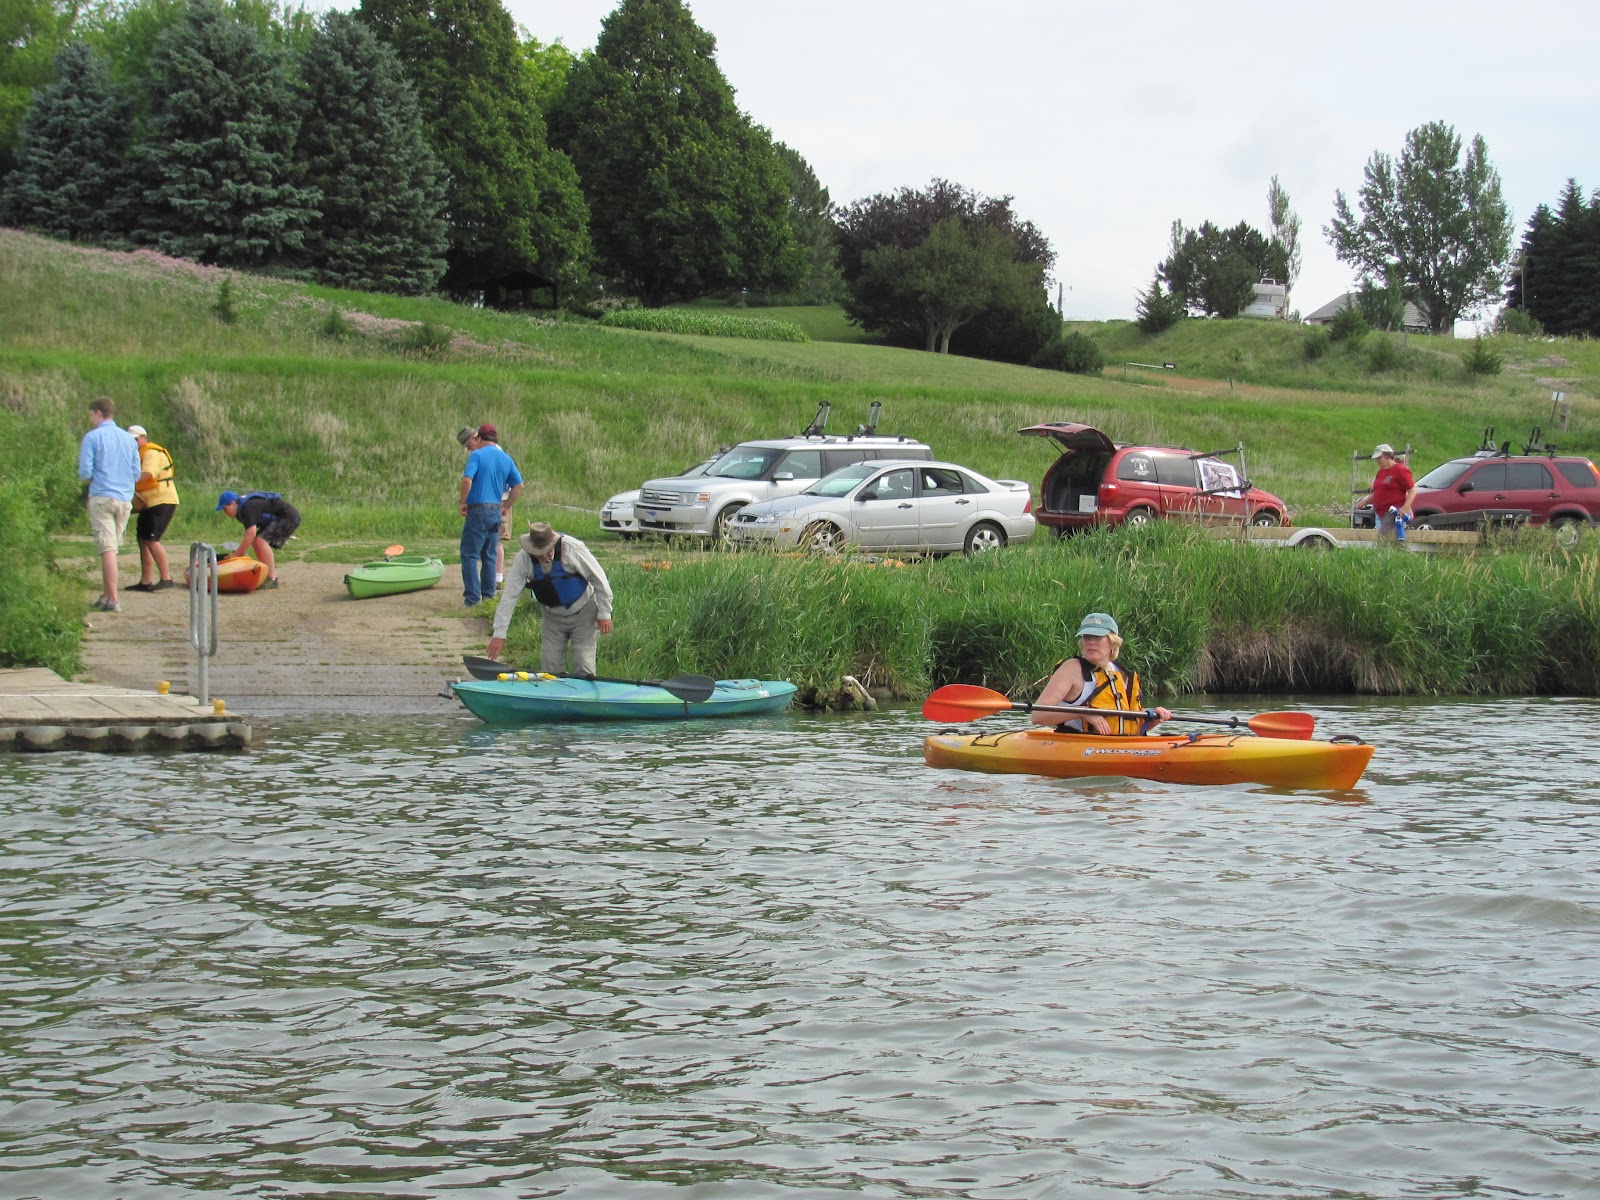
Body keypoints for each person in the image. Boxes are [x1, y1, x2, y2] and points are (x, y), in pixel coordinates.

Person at [487, 521, 614, 676]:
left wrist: (604, 614)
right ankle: (554, 698)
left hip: (584, 611)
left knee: (583, 662)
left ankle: (583, 696)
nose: (546, 556)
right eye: (540, 553)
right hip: (552, 617)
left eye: (548, 551)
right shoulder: (524, 559)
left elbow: (599, 580)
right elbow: (509, 596)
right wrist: (499, 633)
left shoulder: (572, 548)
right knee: (550, 669)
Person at [1034, 612, 1173, 735]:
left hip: (1118, 748)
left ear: (1113, 643)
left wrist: (1154, 718)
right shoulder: (1072, 668)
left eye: (1097, 637)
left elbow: (1128, 727)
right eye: (1087, 637)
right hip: (1079, 746)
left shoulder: (1124, 675)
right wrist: (1082, 712)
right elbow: (1038, 716)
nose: (1090, 642)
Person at [78, 396, 142, 613]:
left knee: (107, 549)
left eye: (91, 415)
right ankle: (106, 595)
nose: (90, 419)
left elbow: (85, 471)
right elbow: (136, 473)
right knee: (112, 548)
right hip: (125, 499)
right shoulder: (128, 439)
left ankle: (113, 598)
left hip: (102, 496)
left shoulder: (92, 437)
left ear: (98, 412)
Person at [458, 424, 523, 607]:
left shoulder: (477, 455)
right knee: (489, 554)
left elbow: (467, 479)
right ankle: (488, 597)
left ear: (479, 438)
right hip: (496, 510)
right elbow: (519, 486)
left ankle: (471, 599)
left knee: (470, 555)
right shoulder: (506, 458)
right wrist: (506, 507)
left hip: (478, 510)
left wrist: (463, 502)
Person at [126, 424, 179, 591]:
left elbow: (148, 474)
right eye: (130, 440)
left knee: (151, 539)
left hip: (161, 500)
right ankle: (146, 580)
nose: (133, 442)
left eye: (135, 439)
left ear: (143, 438)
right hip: (149, 502)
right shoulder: (137, 454)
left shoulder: (151, 452)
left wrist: (126, 483)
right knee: (143, 539)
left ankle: (166, 577)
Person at [215, 489, 301, 588]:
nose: (225, 513)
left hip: (289, 517)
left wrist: (236, 553)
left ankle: (271, 579)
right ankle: (266, 575)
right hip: (280, 518)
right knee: (256, 541)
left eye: (225, 509)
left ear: (233, 504)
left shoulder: (247, 508)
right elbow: (249, 535)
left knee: (260, 541)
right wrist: (241, 551)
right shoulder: (241, 510)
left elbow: (251, 533)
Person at [1370, 443, 1416, 541]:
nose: (1377, 461)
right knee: (1397, 542)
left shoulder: (1400, 470)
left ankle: (1381, 556)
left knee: (1383, 540)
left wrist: (1404, 508)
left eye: (1379, 458)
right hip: (1381, 513)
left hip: (1393, 511)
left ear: (1387, 456)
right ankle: (1406, 556)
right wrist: (1365, 501)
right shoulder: (1381, 472)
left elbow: (1412, 490)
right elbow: (1378, 491)